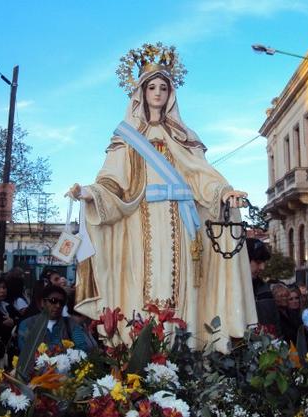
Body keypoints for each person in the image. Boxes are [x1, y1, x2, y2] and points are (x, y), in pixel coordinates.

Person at [68, 44, 255, 352]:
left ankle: (185, 350)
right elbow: (113, 181)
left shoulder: (183, 135)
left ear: (171, 93)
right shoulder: (127, 137)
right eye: (151, 87)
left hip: (182, 223)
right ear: (140, 91)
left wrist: (223, 192)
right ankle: (143, 353)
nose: (157, 93)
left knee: (183, 288)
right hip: (141, 224)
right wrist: (88, 193)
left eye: (163, 87)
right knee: (144, 287)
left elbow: (200, 174)